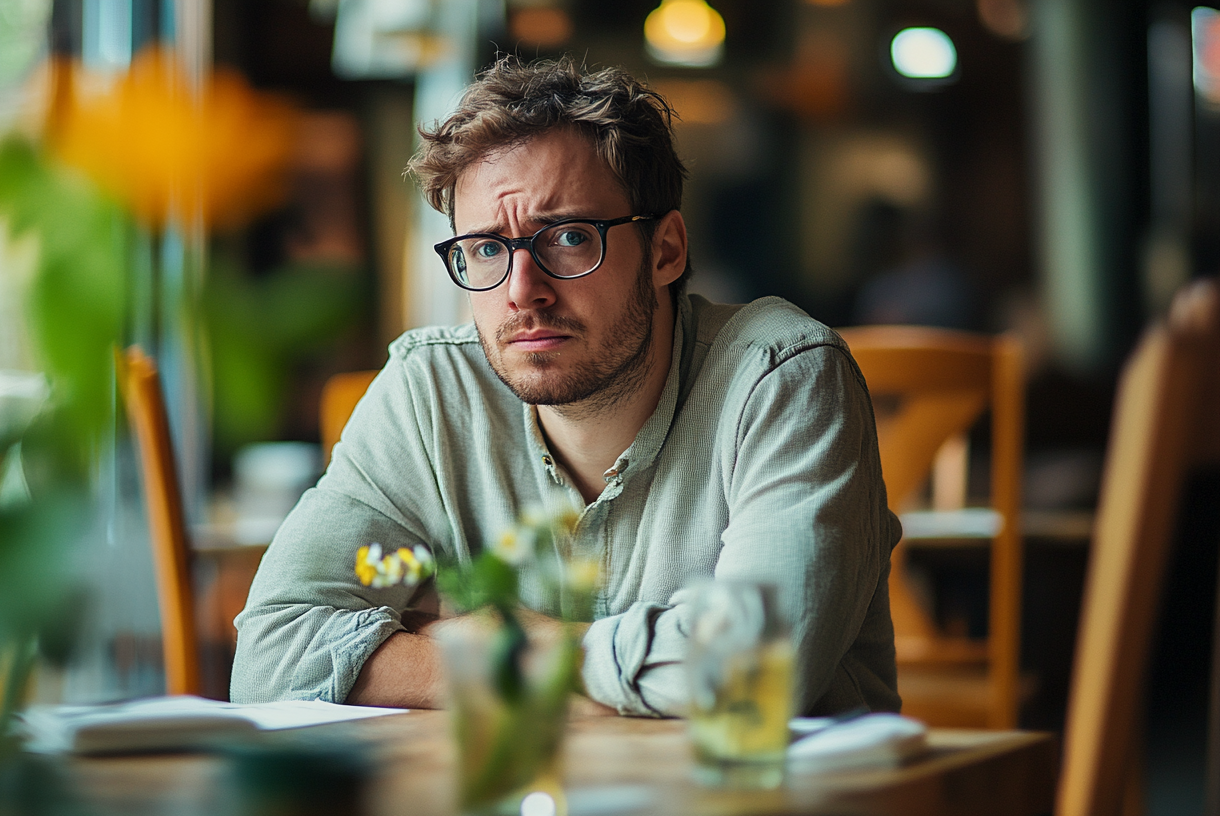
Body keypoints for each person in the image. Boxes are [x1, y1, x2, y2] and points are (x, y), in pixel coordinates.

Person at [230, 56, 901, 717]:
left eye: (571, 237)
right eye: (488, 249)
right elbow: (273, 654)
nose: (523, 292)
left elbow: (758, 668)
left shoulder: (781, 376)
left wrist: (512, 646)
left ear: (665, 250)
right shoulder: (429, 392)